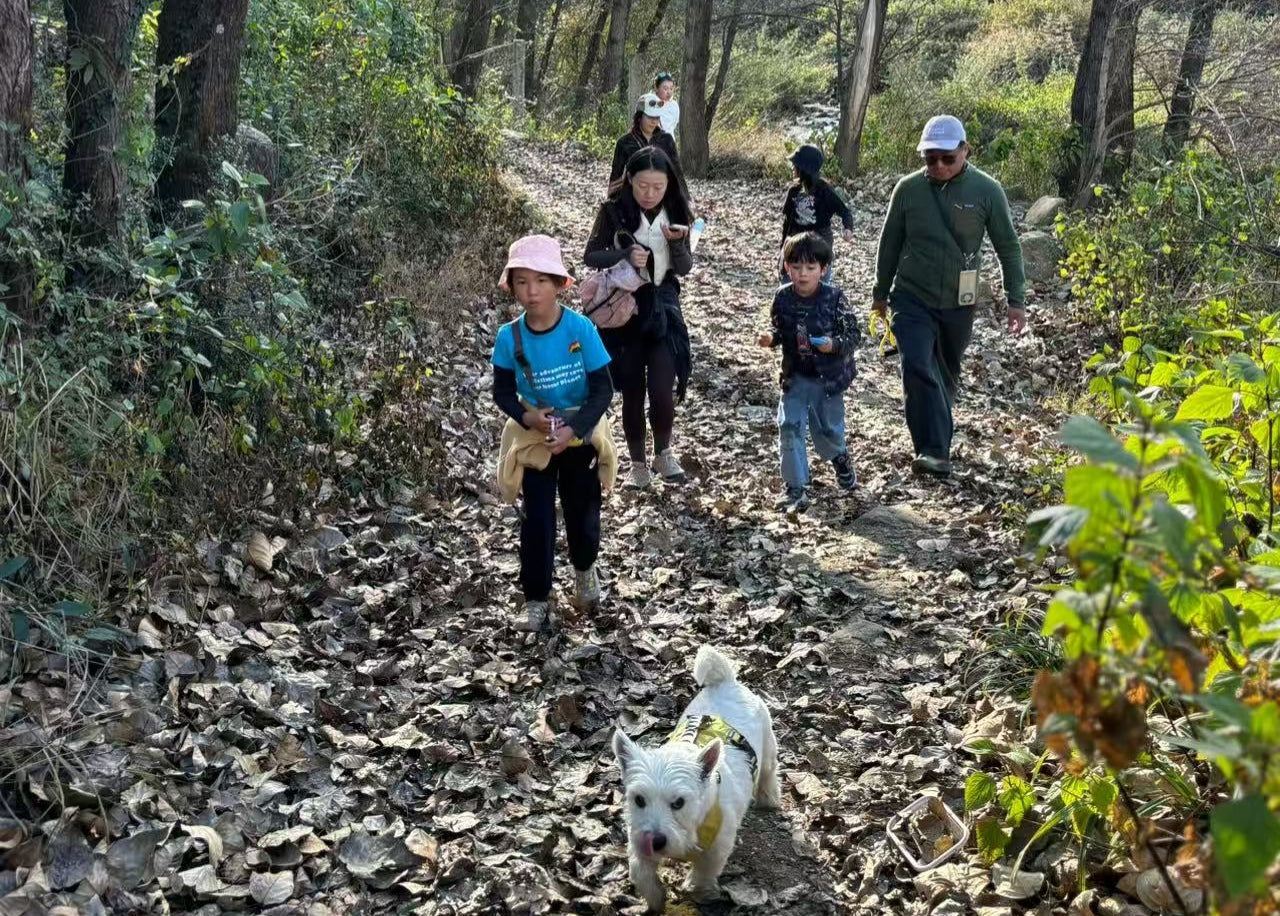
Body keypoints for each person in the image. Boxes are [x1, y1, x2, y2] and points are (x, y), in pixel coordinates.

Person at [872, 115, 1026, 479]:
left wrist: (1015, 300)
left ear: (965, 150)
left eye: (947, 158)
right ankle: (933, 451)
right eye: (930, 159)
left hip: (959, 300)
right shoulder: (907, 190)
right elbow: (889, 242)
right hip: (911, 296)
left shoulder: (987, 191)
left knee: (945, 373)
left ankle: (935, 436)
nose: (938, 166)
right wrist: (880, 295)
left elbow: (1008, 246)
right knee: (916, 364)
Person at [492, 235, 615, 634]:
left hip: (579, 436)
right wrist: (527, 419)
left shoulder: (579, 328)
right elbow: (503, 391)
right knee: (538, 519)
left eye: (541, 281)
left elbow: (602, 389)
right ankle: (536, 599)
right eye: (522, 282)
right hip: (537, 438)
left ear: (559, 284)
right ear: (511, 286)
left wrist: (576, 430)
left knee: (583, 514)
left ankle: (584, 573)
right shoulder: (509, 337)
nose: (531, 291)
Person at [585, 147, 694, 489]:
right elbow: (591, 255)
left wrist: (677, 244)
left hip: (663, 303)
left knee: (663, 387)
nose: (649, 194)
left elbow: (685, 267)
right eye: (643, 186)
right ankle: (637, 465)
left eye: (658, 187)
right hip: (624, 309)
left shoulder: (676, 210)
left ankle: (664, 452)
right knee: (632, 390)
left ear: (668, 185)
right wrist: (623, 253)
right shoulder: (612, 211)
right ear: (630, 180)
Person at [758, 232, 860, 512]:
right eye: (796, 267)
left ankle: (839, 458)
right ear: (786, 267)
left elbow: (854, 334)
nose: (802, 274)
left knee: (827, 429)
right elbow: (779, 329)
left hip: (828, 378)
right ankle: (795, 487)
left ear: (823, 270)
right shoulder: (782, 297)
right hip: (795, 375)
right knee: (789, 425)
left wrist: (834, 344)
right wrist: (771, 338)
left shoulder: (835, 298)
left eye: (810, 268)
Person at [780, 144, 854, 280]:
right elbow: (787, 222)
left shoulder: (825, 191)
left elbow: (845, 212)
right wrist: (783, 250)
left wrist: (848, 228)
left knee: (820, 290)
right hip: (796, 245)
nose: (792, 168)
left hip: (819, 248)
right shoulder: (793, 191)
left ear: (804, 169)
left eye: (795, 165)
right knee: (788, 288)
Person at [609, 93, 683, 192]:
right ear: (639, 117)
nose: (654, 121)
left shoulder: (666, 140)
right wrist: (612, 203)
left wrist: (684, 201)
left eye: (657, 117)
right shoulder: (624, 143)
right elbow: (615, 178)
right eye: (650, 117)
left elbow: (677, 173)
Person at [654, 71, 680, 138]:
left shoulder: (674, 105)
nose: (669, 92)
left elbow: (674, 123)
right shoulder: (650, 104)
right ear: (656, 88)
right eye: (665, 88)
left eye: (671, 88)